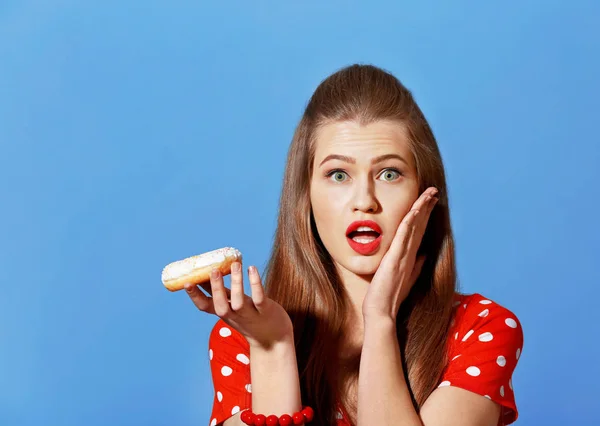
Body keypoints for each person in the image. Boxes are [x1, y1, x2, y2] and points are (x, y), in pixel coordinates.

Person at [184, 64, 524, 426]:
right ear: (306, 197)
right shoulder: (243, 334)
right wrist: (272, 349)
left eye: (389, 173)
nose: (364, 200)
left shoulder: (480, 328)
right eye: (338, 175)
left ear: (426, 194)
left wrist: (380, 321)